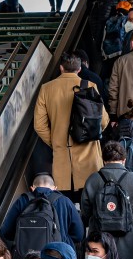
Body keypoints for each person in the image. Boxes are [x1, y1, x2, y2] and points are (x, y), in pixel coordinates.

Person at [35, 52, 110, 194]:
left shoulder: (46, 89)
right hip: (89, 157)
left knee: (66, 202)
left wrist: (55, 140)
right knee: (90, 200)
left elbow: (39, 125)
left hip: (62, 157)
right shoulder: (90, 85)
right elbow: (104, 120)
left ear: (61, 68)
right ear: (79, 69)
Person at [81, 141, 133, 259]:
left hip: (99, 237)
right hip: (128, 237)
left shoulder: (93, 179)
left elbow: (85, 211)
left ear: (103, 160)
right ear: (124, 160)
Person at [1, 173, 85, 256]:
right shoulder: (65, 201)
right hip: (58, 258)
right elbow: (79, 235)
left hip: (26, 258)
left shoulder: (22, 200)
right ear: (55, 188)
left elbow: (6, 232)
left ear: (32, 188)